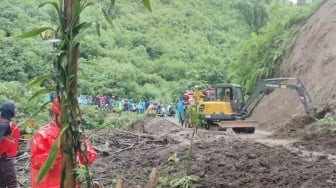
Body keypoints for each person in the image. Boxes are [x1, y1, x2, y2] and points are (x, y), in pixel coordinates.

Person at [30, 98, 97, 188]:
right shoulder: (43, 135)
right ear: (54, 114)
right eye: (63, 116)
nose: (67, 120)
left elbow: (89, 158)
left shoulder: (75, 135)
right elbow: (36, 161)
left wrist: (81, 146)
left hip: (71, 184)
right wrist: (58, 151)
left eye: (70, 116)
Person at [0, 101, 20, 188]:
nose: (16, 110)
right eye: (14, 108)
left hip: (3, 159)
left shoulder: (3, 123)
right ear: (10, 110)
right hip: (5, 161)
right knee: (12, 185)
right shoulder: (5, 124)